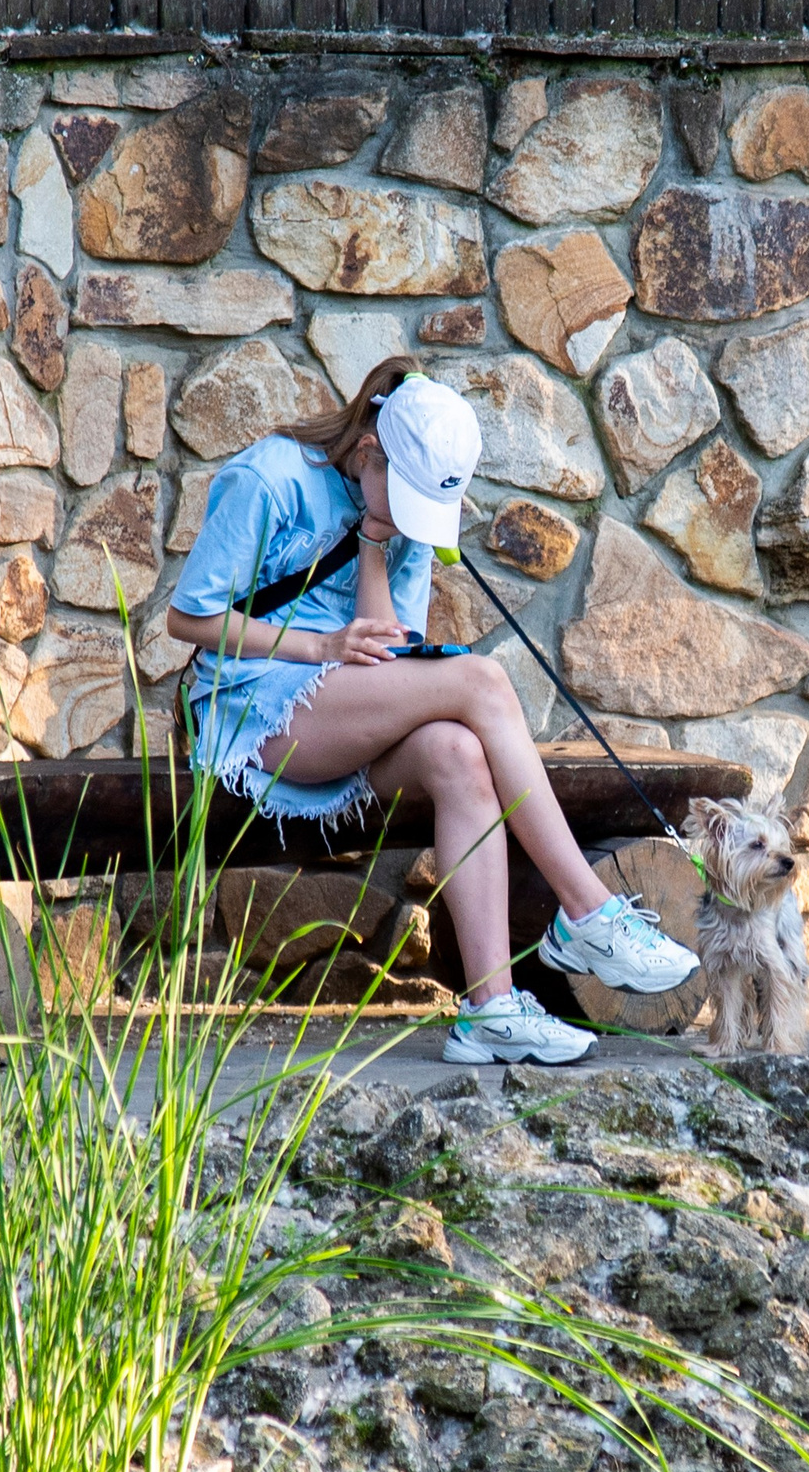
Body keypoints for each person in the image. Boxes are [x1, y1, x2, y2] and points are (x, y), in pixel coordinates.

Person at [165, 355, 699, 1064]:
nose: (417, 522)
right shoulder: (271, 479)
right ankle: (589, 912)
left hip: (341, 711)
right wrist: (323, 644)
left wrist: (377, 546)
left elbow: (394, 655)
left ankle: (489, 1010)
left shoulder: (400, 521)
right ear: (366, 453)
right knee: (480, 683)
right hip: (246, 707)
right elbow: (188, 619)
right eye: (405, 498)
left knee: (457, 752)